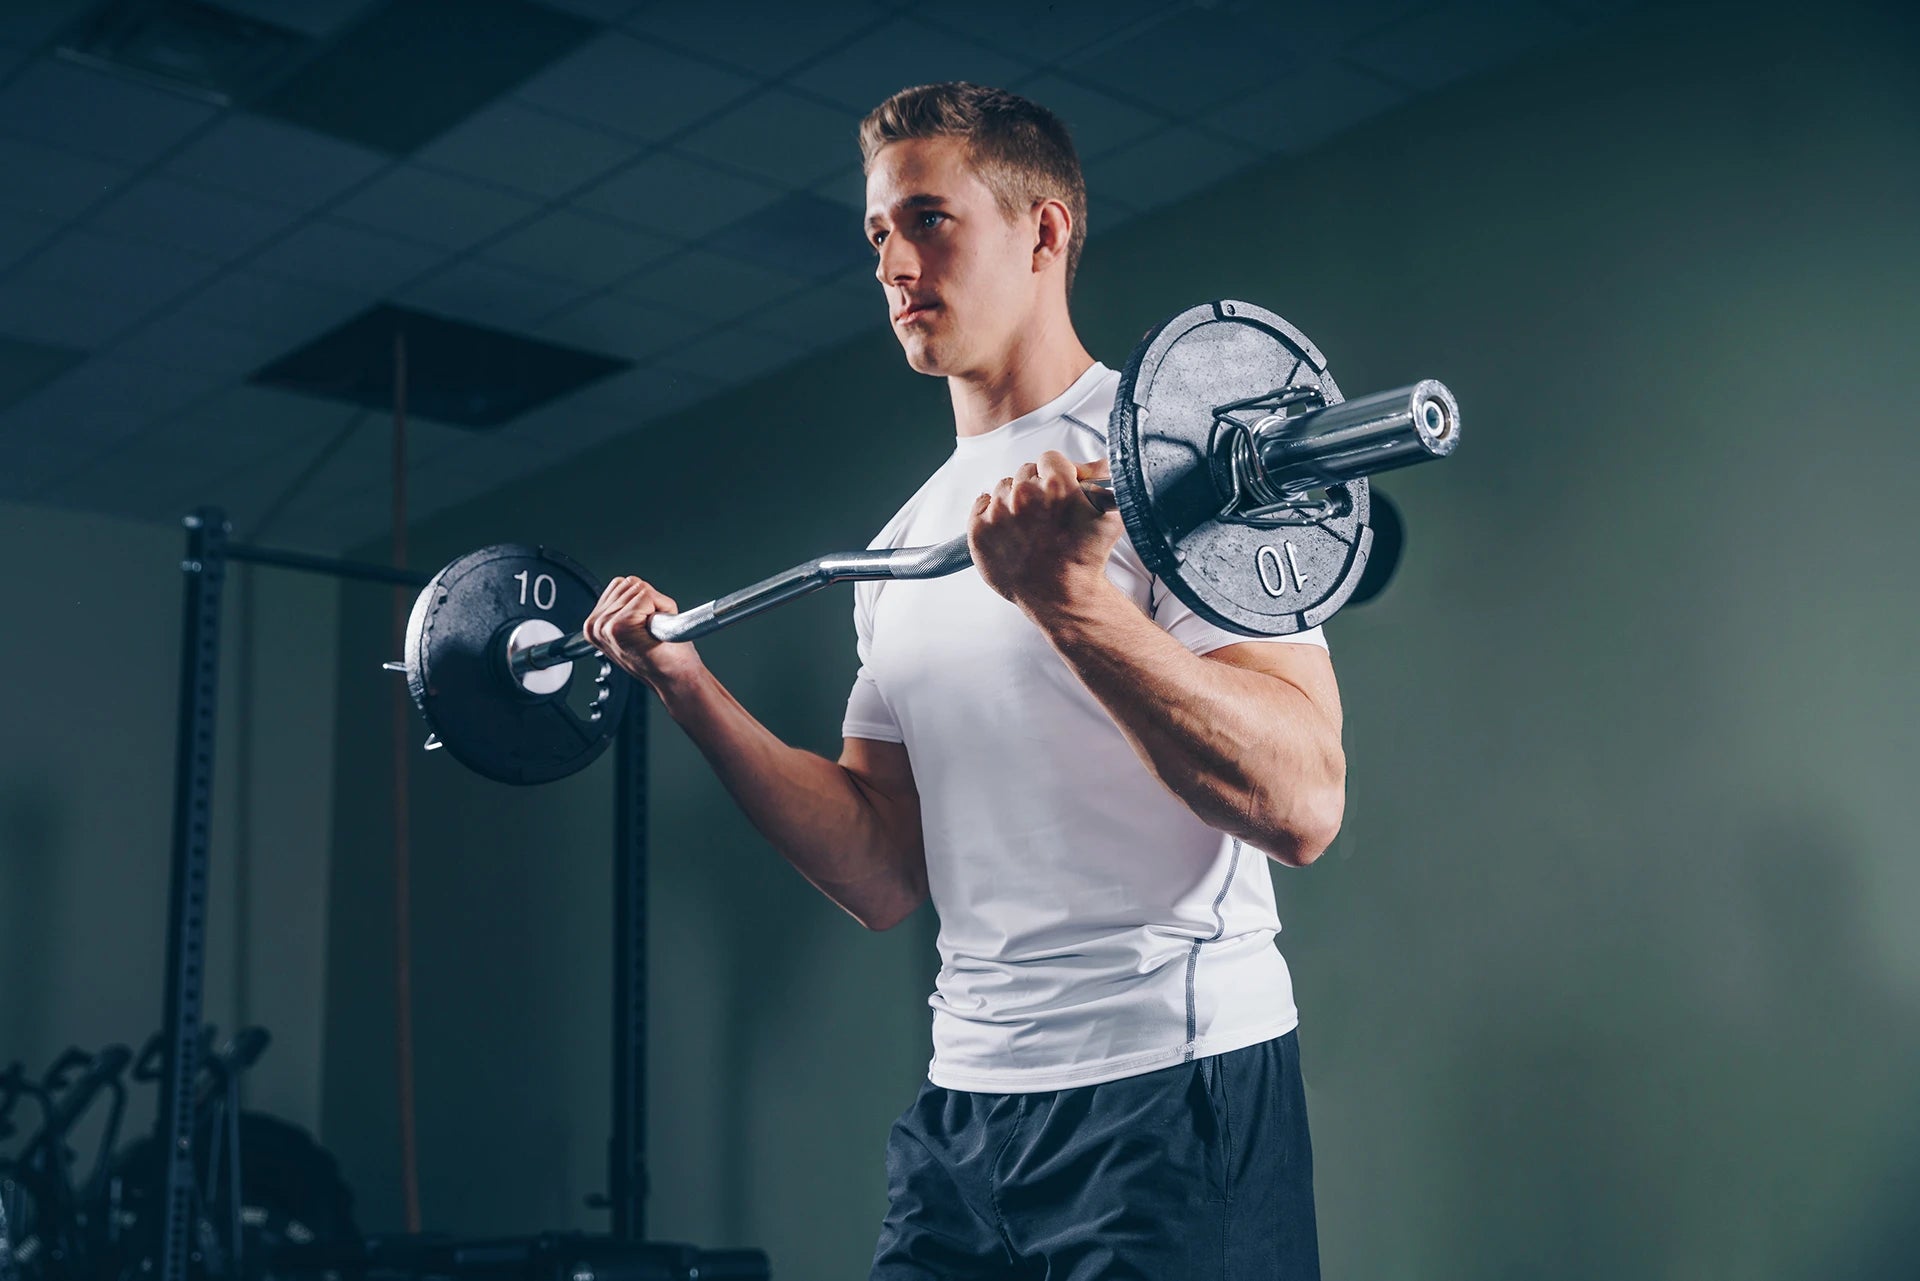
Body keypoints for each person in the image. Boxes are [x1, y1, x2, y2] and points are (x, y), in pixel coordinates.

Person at [582, 82, 1345, 1280]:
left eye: (929, 219)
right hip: (965, 1115)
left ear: (1044, 232)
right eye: (878, 233)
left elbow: (1302, 800)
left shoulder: (1182, 464)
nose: (893, 262)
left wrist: (1075, 604)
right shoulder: (900, 545)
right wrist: (691, 690)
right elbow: (886, 869)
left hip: (1170, 1092)